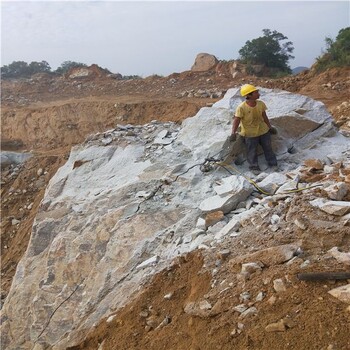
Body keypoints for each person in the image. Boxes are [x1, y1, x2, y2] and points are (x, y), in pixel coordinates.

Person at [230, 84, 277, 173]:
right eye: (256, 92)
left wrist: (269, 127)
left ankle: (273, 163)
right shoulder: (241, 108)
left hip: (263, 130)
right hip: (249, 133)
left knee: (268, 148)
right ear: (249, 95)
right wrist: (233, 133)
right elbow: (237, 120)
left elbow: (264, 116)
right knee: (251, 151)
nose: (258, 94)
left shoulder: (261, 104)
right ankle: (254, 167)